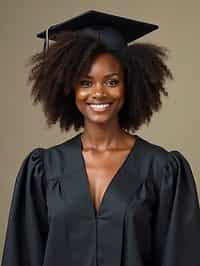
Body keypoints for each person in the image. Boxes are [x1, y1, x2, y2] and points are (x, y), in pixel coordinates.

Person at [1, 10, 200, 266]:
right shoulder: (43, 170)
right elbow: (22, 257)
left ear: (130, 86)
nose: (98, 93)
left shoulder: (162, 170)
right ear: (69, 88)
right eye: (85, 83)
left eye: (112, 81)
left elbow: (181, 258)